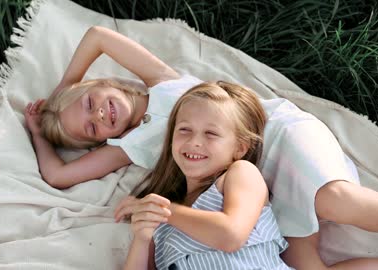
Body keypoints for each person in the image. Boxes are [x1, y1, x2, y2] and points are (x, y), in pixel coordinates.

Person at [25, 26, 378, 269]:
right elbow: (58, 175)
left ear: (100, 83)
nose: (101, 116)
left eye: (90, 103)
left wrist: (64, 86)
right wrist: (44, 131)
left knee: (332, 199)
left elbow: (99, 36)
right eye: (93, 129)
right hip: (249, 179)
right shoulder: (131, 147)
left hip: (273, 134)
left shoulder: (163, 83)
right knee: (306, 264)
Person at [119, 81, 292, 269]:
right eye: (184, 129)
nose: (194, 142)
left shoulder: (240, 173)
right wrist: (142, 238)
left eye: (211, 133)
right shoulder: (163, 222)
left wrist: (163, 211)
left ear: (240, 148)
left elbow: (231, 236)